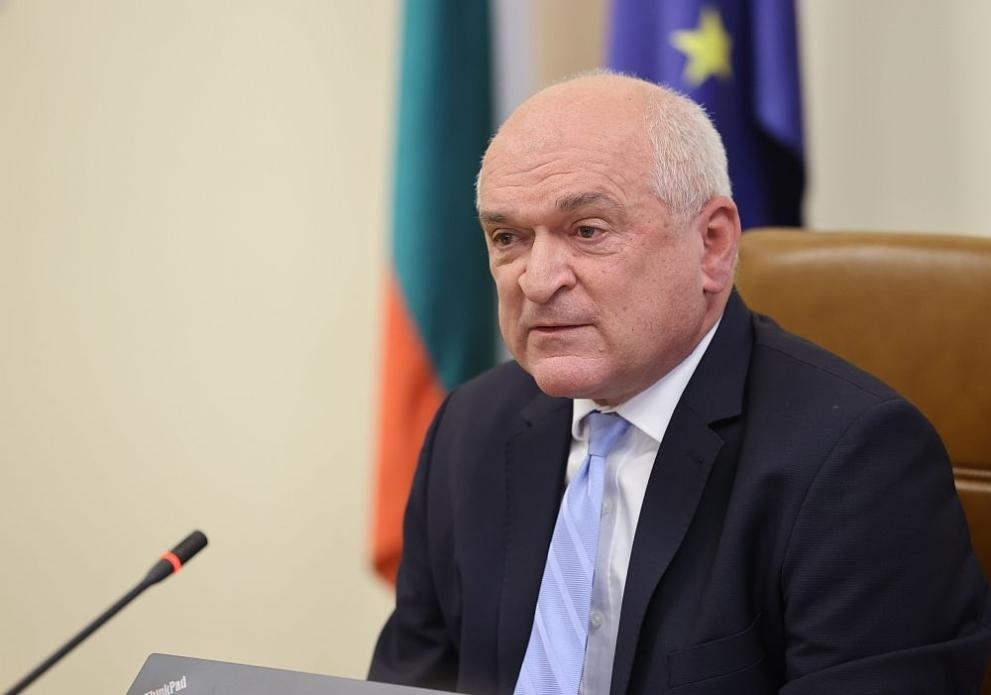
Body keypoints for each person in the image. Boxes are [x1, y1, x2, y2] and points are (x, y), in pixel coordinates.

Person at [368, 72, 991, 694]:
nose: (537, 279)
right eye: (509, 238)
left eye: (588, 230)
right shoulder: (471, 426)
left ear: (712, 244)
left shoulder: (859, 462)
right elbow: (414, 678)